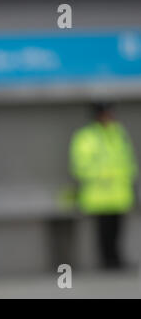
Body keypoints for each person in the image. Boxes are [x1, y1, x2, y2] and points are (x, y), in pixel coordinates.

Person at [69, 102, 138, 270]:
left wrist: (131, 180)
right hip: (99, 193)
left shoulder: (118, 133)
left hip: (119, 192)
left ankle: (117, 259)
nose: (110, 117)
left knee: (117, 230)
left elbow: (127, 159)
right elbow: (80, 165)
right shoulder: (86, 137)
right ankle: (107, 262)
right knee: (104, 231)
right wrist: (103, 176)